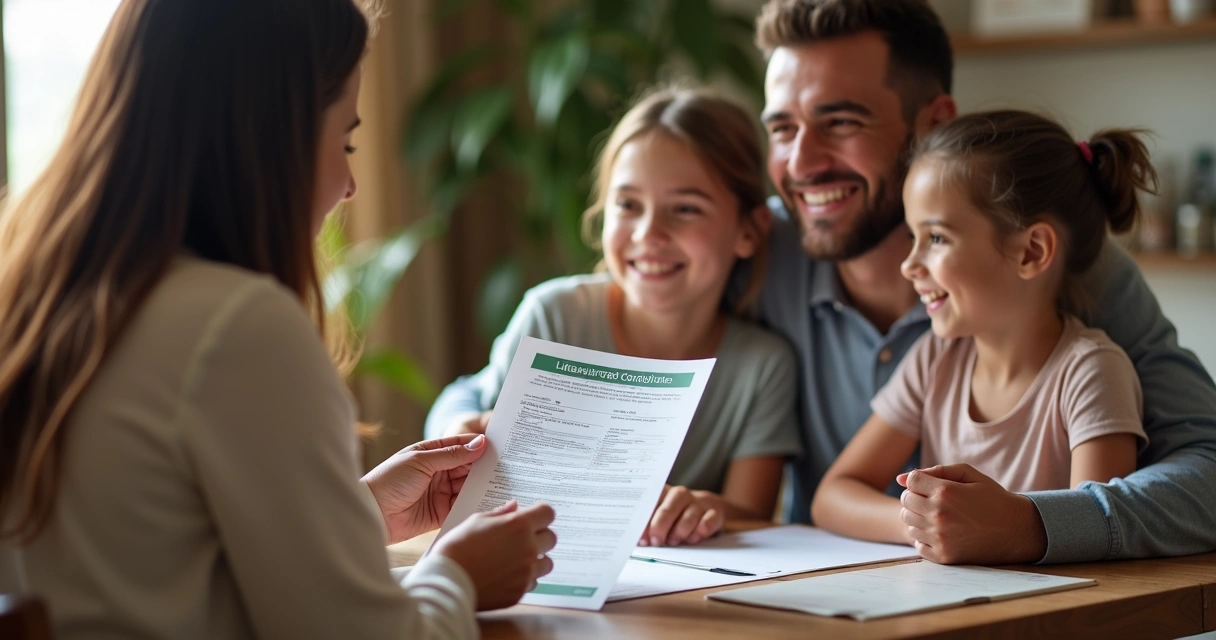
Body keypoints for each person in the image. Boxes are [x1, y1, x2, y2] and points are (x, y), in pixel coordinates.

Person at [0, 0, 555, 637]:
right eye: (344, 139)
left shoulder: (40, 298)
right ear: (270, 136)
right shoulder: (236, 327)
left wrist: (362, 513)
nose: (350, 185)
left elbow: (156, 556)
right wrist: (458, 574)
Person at [750, 0, 1216, 564]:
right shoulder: (750, 247)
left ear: (936, 120)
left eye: (842, 122)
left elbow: (1206, 473)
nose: (803, 162)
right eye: (781, 127)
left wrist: (1028, 526)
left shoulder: (1081, 277)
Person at [425, 87, 803, 547]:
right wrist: (456, 431)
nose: (649, 234)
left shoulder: (762, 366)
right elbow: (466, 411)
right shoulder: (554, 318)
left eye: (685, 209)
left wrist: (708, 510)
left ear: (748, 231)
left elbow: (753, 518)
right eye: (627, 205)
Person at [813, 110, 1153, 549]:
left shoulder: (1090, 373)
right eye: (912, 236)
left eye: (935, 238)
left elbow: (1100, 535)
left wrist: (991, 530)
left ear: (1031, 251)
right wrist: (926, 524)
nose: (909, 265)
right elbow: (831, 496)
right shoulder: (935, 358)